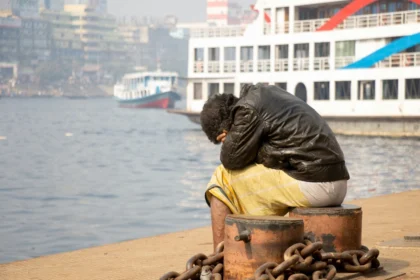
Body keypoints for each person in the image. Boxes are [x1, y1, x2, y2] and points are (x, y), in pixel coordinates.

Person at [200, 83, 350, 250]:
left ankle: (220, 258)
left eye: (222, 139)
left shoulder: (247, 110)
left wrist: (229, 140)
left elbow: (230, 159)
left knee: (221, 179)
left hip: (316, 185)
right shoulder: (264, 95)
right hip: (335, 181)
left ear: (224, 129)